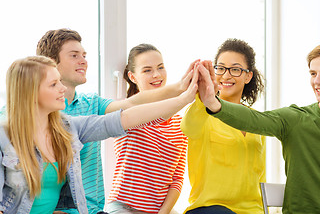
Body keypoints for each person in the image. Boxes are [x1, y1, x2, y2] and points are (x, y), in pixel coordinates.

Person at [0, 56, 198, 214]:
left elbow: (126, 117)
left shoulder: (68, 129)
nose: (62, 88)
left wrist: (184, 97)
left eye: (60, 81)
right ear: (30, 93)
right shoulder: (4, 138)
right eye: (53, 85)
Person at [198, 42, 320, 214]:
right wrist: (212, 103)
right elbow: (255, 119)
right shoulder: (296, 119)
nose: (317, 81)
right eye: (313, 73)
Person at [180, 39, 266, 214]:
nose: (226, 76)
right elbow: (188, 128)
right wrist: (203, 98)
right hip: (210, 208)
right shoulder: (202, 111)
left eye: (235, 69)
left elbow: (260, 176)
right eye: (221, 68)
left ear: (248, 76)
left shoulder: (256, 120)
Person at [106, 44, 188, 214]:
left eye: (160, 67)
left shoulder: (180, 124)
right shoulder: (126, 114)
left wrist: (163, 212)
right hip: (124, 207)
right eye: (147, 70)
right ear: (132, 77)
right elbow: (150, 114)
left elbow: (177, 179)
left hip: (160, 211)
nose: (156, 75)